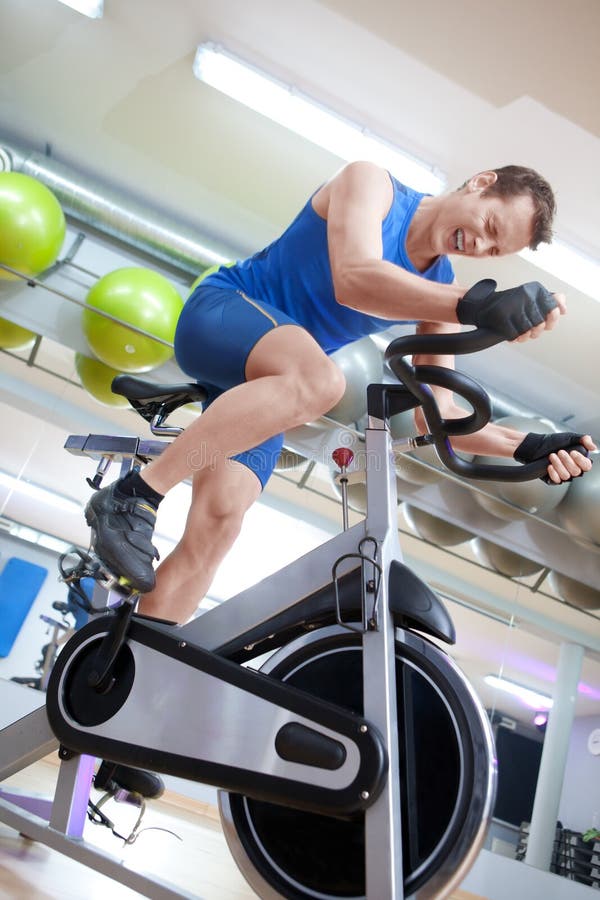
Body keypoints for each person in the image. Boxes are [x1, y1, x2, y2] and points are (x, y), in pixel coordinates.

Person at [85, 161, 596, 624]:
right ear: (481, 183)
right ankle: (134, 496)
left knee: (220, 521)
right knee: (323, 382)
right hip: (224, 315)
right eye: (489, 228)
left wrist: (526, 446)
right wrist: (477, 305)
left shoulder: (441, 285)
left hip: (266, 391)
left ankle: (134, 667)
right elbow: (355, 277)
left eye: (495, 251)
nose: (481, 248)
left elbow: (436, 415)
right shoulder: (373, 184)